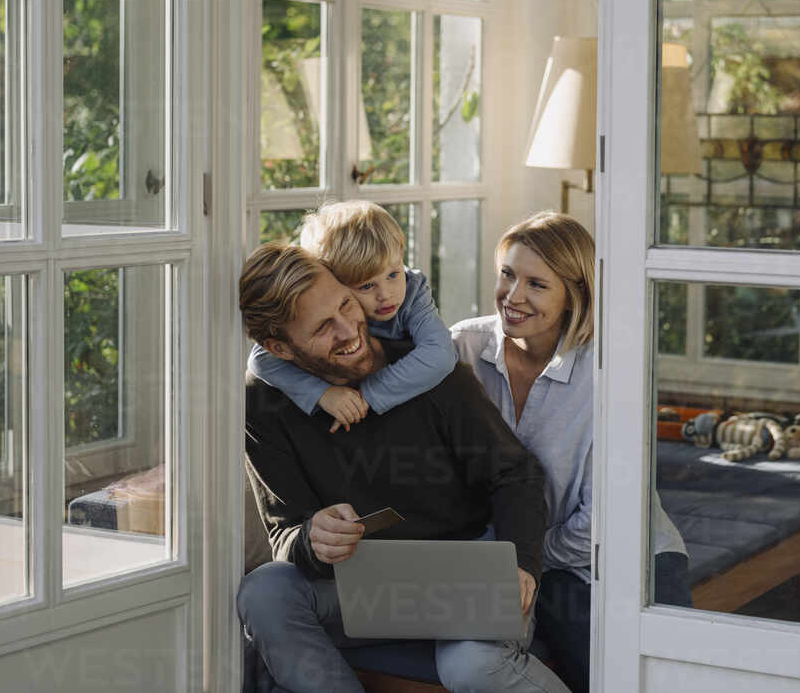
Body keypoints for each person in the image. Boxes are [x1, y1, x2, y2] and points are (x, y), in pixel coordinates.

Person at [236, 242, 569, 693]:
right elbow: (285, 534)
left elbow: (516, 474)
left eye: (346, 304)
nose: (348, 329)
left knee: (471, 667)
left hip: (462, 575)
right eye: (322, 328)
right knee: (264, 591)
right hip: (359, 585)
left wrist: (522, 565)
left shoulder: (428, 370)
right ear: (280, 348)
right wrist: (313, 537)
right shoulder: (263, 402)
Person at [451, 211, 691, 693]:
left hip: (623, 555)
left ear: (573, 295)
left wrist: (523, 559)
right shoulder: (464, 349)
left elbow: (606, 520)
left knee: (632, 679)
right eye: (507, 274)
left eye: (536, 284)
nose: (513, 296)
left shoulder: (610, 372)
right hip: (517, 562)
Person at [248, 200, 456, 432]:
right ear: (334, 282)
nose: (386, 295)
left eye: (393, 274)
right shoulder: (330, 304)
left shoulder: (413, 291)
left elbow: (441, 353)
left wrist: (366, 396)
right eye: (366, 286)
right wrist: (322, 394)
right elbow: (260, 359)